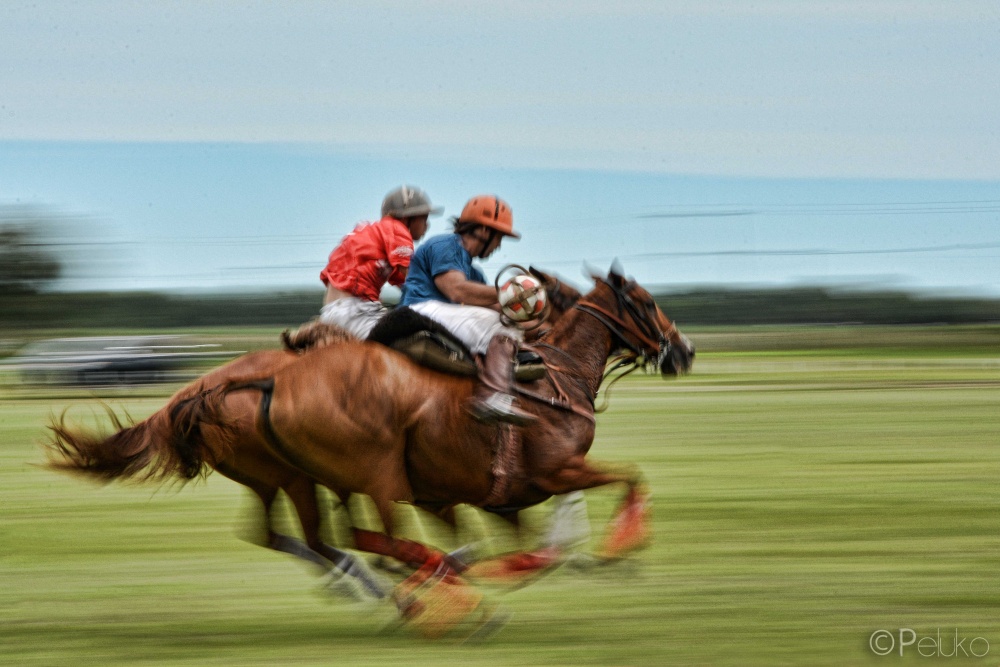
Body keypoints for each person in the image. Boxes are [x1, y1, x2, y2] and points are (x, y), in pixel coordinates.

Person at [400, 194, 534, 426]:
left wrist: (535, 318)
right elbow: (456, 290)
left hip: (443, 316)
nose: (499, 245)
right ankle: (491, 395)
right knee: (500, 325)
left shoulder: (475, 274)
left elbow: (498, 307)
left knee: (507, 324)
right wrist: (511, 291)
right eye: (499, 237)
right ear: (483, 230)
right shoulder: (444, 245)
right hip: (421, 311)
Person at [318, 185, 442, 339]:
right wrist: (445, 299)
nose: (427, 225)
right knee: (417, 340)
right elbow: (415, 280)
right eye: (424, 218)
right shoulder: (398, 230)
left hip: (331, 312)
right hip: (357, 311)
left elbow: (404, 285)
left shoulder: (373, 232)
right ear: (406, 218)